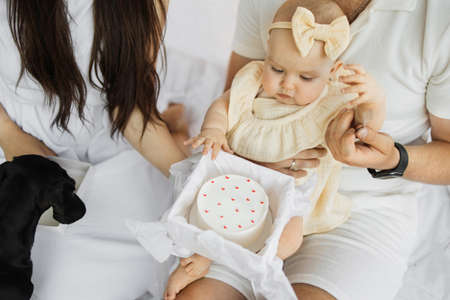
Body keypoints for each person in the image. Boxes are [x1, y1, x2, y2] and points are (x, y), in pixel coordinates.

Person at [175, 0, 450, 299]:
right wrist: (250, 159)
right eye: (279, 69)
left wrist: (393, 157)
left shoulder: (437, 17)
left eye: (306, 77)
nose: (289, 85)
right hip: (254, 187)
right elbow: (233, 104)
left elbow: (370, 121)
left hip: (358, 209)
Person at [0, 0, 189, 299]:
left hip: (118, 155)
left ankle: (175, 123)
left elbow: (130, 108)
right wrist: (11, 137)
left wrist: (196, 183)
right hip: (17, 154)